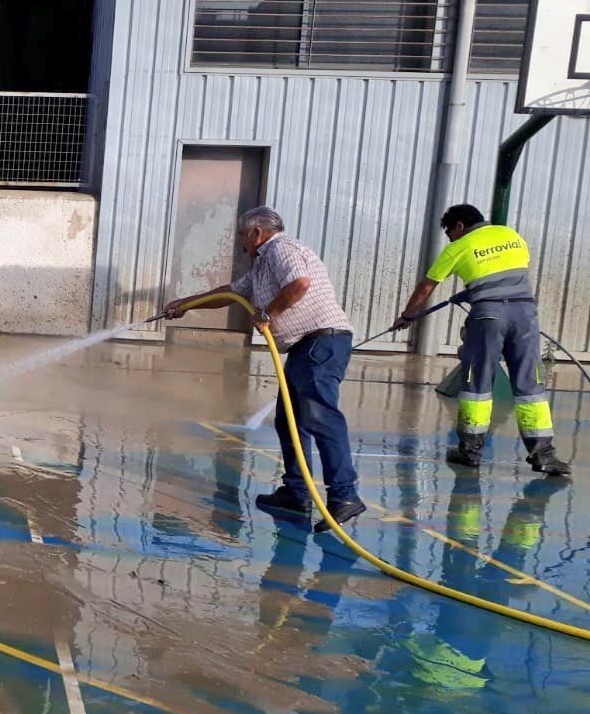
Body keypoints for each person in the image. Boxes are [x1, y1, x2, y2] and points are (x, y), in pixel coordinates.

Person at [162, 206, 366, 532]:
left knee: (319, 414)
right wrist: (186, 305)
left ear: (257, 233)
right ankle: (296, 493)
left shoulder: (283, 249)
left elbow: (299, 283)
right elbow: (229, 293)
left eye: (243, 235)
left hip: (323, 342)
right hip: (306, 346)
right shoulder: (262, 265)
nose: (241, 243)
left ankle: (345, 495)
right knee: (289, 419)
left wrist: (268, 313)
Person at [394, 204, 570, 475]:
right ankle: (544, 455)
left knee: (477, 382)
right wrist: (474, 290)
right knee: (530, 384)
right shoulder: (512, 235)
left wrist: (407, 315)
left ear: (460, 226)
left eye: (450, 232)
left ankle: (470, 452)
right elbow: (508, 274)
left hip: (488, 315)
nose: (450, 238)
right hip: (525, 314)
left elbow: (427, 286)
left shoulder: (457, 247)